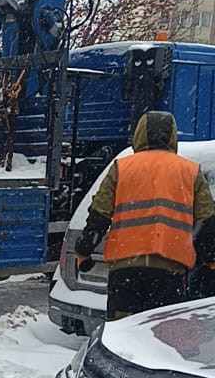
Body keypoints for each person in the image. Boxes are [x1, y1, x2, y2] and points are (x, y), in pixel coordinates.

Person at [74, 111, 215, 321]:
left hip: (125, 271)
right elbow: (206, 221)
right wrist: (211, 258)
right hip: (169, 271)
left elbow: (99, 215)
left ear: (139, 134)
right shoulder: (190, 171)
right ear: (173, 136)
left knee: (121, 336)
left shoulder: (122, 168)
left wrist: (84, 251)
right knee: (162, 338)